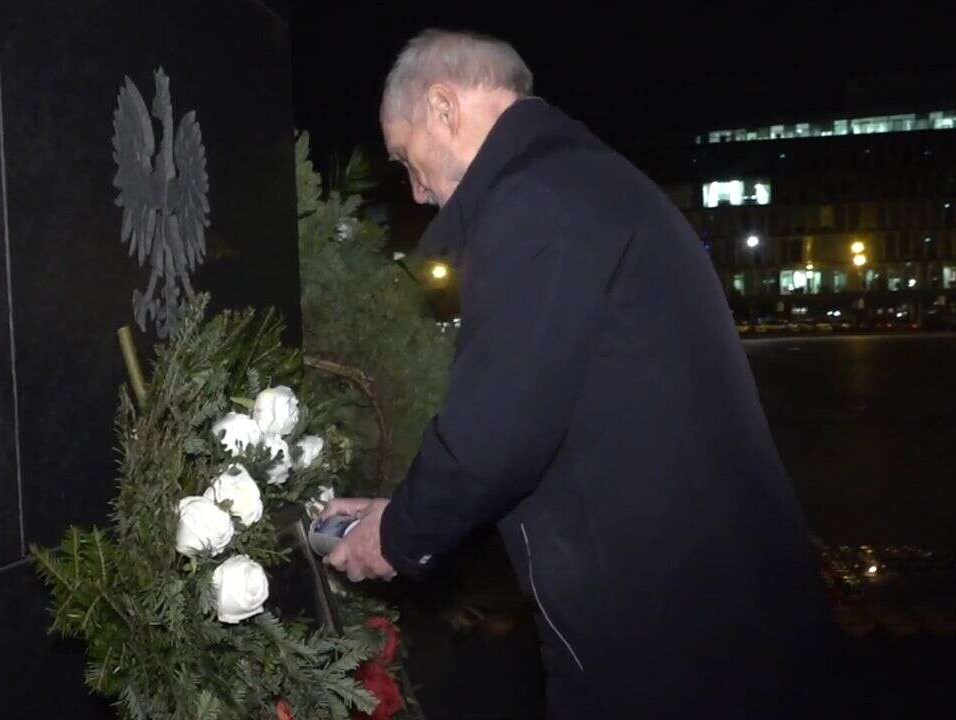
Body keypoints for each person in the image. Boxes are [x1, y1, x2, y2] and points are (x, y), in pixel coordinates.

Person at [321, 28, 841, 719]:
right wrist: (400, 512)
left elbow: (495, 433)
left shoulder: (537, 201)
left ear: (444, 107)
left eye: (407, 160)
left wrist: (395, 538)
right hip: (710, 616)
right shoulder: (581, 181)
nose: (415, 192)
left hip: (667, 642)